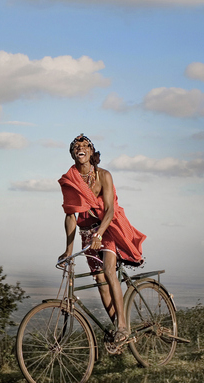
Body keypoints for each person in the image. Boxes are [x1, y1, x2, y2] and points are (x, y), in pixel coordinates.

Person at [57, 134, 146, 348]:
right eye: (77, 146)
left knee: (108, 271)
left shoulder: (104, 175)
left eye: (85, 145)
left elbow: (110, 210)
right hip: (86, 231)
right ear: (72, 153)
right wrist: (68, 250)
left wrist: (99, 235)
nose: (81, 148)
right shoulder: (71, 179)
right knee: (99, 282)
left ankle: (123, 327)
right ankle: (118, 328)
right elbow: (70, 216)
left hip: (106, 228)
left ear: (91, 151)